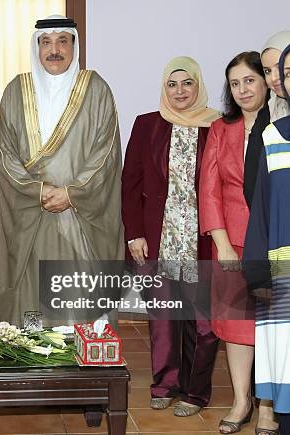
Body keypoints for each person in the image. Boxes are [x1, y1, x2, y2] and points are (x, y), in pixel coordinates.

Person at [0, 15, 124, 326]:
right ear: (36, 47)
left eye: (62, 41)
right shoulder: (15, 90)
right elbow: (4, 151)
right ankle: (33, 357)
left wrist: (72, 193)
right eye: (46, 42)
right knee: (32, 306)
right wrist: (36, 192)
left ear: (73, 46)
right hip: (32, 215)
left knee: (79, 303)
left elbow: (106, 152)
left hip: (78, 216)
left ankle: (81, 363)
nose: (55, 50)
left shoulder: (95, 89)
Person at [122, 56, 220, 417]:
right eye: (172, 84)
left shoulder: (218, 127)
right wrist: (134, 233)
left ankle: (195, 392)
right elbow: (130, 182)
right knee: (163, 319)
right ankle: (165, 385)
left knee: (203, 321)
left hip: (203, 239)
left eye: (187, 83)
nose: (180, 91)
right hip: (158, 237)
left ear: (198, 86)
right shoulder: (148, 125)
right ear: (164, 88)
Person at [199, 52, 274, 434]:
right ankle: (242, 400)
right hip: (231, 244)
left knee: (273, 327)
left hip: (276, 244)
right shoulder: (221, 129)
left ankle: (268, 405)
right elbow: (209, 189)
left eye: (249, 80)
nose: (243, 89)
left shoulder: (281, 125)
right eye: (234, 83)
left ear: (266, 81)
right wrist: (222, 243)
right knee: (235, 325)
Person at [244, 44, 290, 435]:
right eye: (287, 74)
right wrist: (257, 272)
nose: (288, 79)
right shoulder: (274, 135)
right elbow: (260, 209)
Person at [244, 31, 290, 208]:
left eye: (281, 68)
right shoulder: (265, 118)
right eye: (267, 71)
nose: (274, 78)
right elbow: (253, 185)